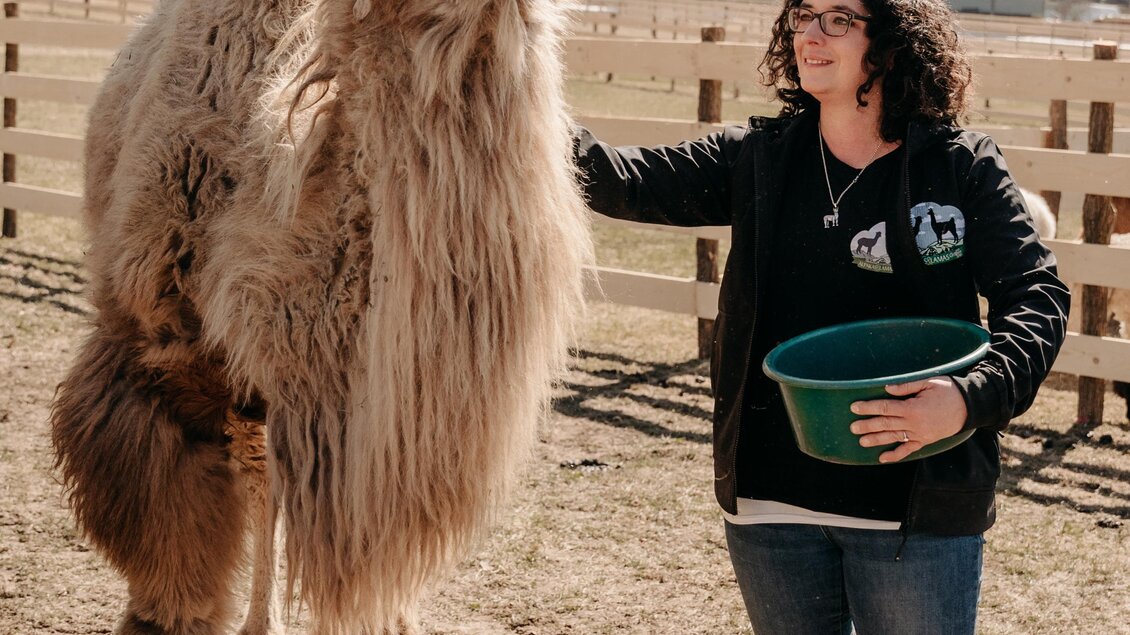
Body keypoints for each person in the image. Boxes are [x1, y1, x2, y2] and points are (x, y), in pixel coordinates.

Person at [572, 0, 1070, 632]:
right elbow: (619, 180)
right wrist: (510, 92)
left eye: (838, 18)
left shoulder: (958, 167)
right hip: (771, 504)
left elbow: (1037, 297)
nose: (809, 33)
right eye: (803, 15)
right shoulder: (758, 159)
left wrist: (969, 399)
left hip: (914, 506)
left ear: (892, 45)